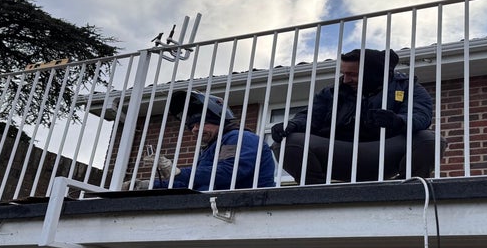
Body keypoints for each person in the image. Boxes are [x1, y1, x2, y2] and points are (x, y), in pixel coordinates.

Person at [271, 48, 442, 184]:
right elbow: (310, 116)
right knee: (287, 143)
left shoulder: (406, 87)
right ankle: (317, 193)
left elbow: (421, 115)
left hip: (384, 154)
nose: (345, 80)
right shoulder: (332, 92)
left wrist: (398, 121)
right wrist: (293, 125)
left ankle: (406, 191)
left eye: (352, 74)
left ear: (373, 73)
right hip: (339, 153)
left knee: (430, 140)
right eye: (344, 74)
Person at [140, 90, 278, 191]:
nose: (194, 129)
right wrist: (149, 185)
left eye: (200, 123)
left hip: (247, 207)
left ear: (218, 122)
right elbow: (192, 184)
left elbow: (229, 171)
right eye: (192, 126)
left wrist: (178, 172)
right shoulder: (211, 148)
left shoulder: (239, 137)